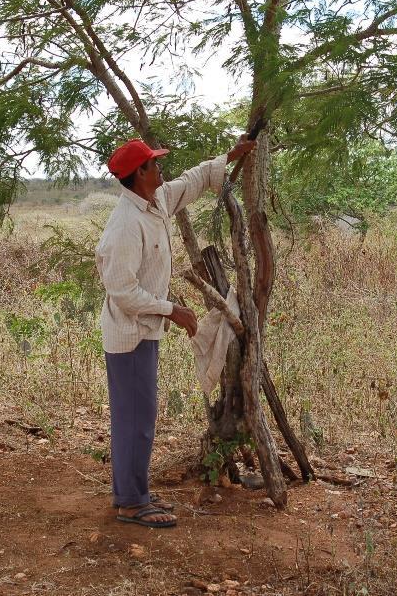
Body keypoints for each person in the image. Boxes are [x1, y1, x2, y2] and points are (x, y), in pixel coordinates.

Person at [95, 136, 256, 528]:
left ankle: (132, 495)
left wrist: (229, 157)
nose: (160, 169)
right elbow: (122, 291)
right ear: (139, 175)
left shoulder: (155, 202)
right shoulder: (125, 225)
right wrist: (172, 310)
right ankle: (132, 503)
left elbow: (194, 180)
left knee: (136, 416)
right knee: (136, 418)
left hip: (143, 332)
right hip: (130, 333)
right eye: (153, 165)